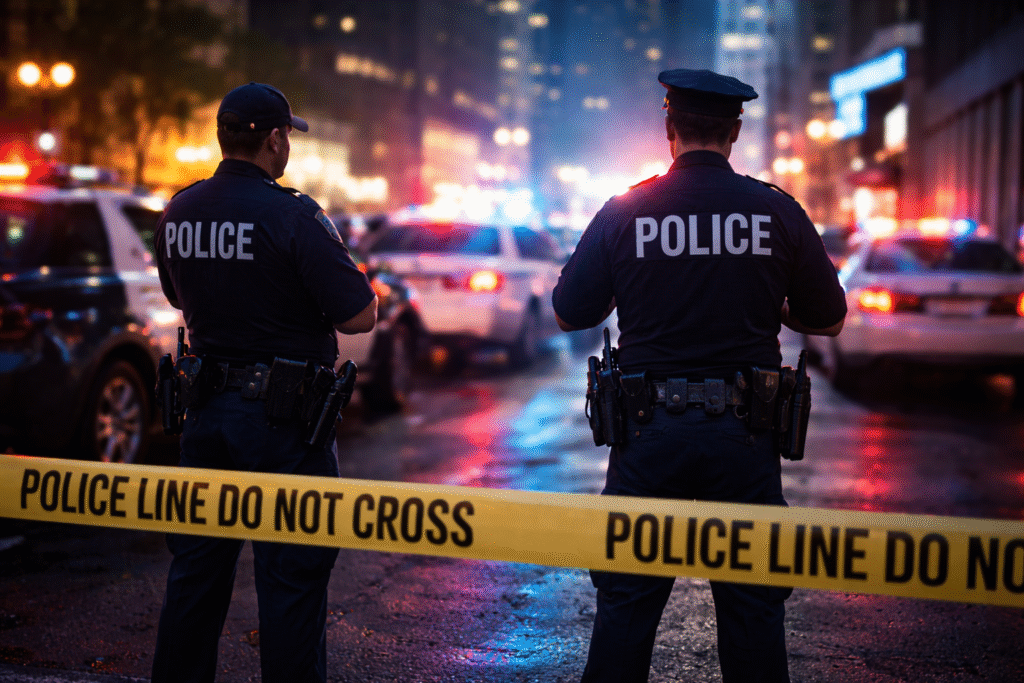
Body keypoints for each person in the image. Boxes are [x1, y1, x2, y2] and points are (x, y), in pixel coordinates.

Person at [552, 68, 847, 683]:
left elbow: (570, 310)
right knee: (752, 608)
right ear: (736, 130)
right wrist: (774, 306)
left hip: (646, 431)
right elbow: (829, 317)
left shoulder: (626, 210)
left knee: (626, 605)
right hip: (746, 435)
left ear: (669, 127)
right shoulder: (776, 210)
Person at [151, 82, 377, 683]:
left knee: (195, 575)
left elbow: (178, 296)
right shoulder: (294, 214)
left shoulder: (180, 209)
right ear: (276, 140)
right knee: (292, 580)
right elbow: (359, 315)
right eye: (286, 138)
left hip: (205, 416)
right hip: (284, 423)